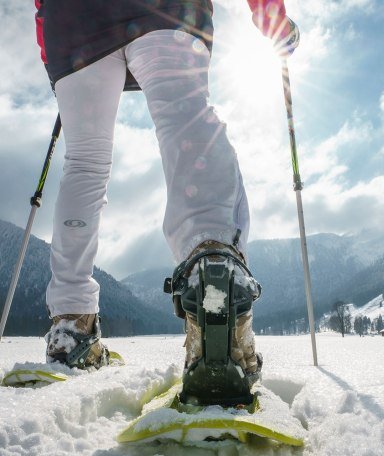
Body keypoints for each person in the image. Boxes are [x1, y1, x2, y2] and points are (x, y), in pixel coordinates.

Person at [35, 0, 299, 390]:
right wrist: (270, 14)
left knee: (85, 162)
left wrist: (51, 43)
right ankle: (216, 289)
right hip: (165, 10)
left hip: (75, 21)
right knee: (186, 120)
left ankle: (72, 325)